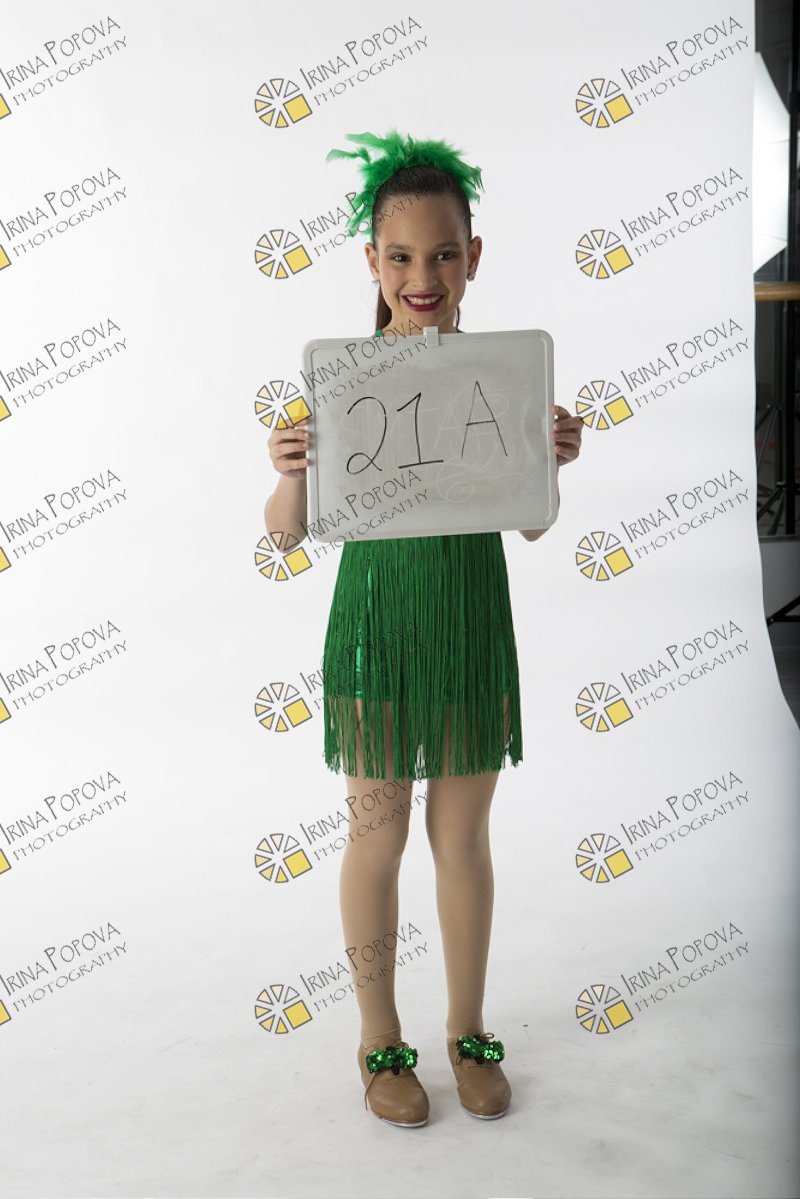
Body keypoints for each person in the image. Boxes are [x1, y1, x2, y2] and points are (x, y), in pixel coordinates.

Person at [264, 129, 583, 1128]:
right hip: (375, 626)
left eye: (443, 253)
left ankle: (467, 1026)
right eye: (401, 256)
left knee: (462, 837)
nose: (423, 276)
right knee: (377, 834)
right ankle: (378, 1035)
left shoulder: (500, 378)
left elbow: (534, 522)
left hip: (467, 620)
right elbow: (284, 535)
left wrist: (548, 459)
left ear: (472, 257)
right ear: (371, 261)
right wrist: (290, 470)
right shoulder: (342, 384)